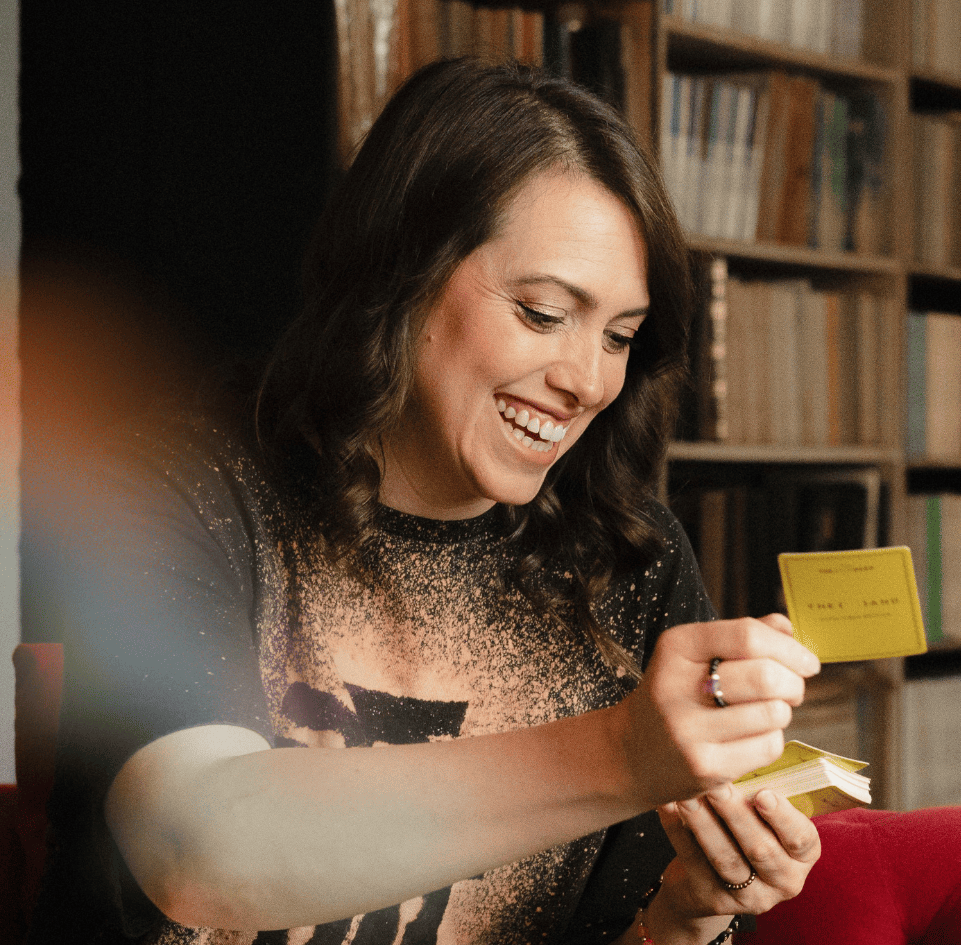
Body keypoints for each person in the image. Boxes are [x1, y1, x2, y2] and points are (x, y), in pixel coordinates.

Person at [26, 57, 822, 945]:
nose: (587, 380)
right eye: (543, 313)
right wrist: (622, 751)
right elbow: (198, 849)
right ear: (401, 272)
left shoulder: (630, 560)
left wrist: (689, 911)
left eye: (621, 336)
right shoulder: (179, 489)